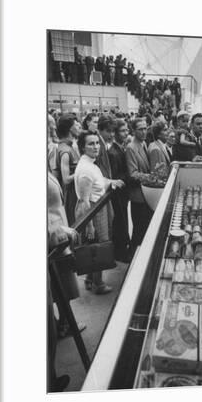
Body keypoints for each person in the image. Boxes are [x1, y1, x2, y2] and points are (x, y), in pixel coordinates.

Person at [47, 171, 86, 391]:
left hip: (57, 239)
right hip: (53, 242)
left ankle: (61, 324)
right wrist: (60, 231)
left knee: (61, 288)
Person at [74, 131, 125, 294]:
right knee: (99, 246)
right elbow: (84, 201)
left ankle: (90, 279)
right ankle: (99, 284)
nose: (96, 147)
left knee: (93, 246)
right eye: (91, 144)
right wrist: (89, 225)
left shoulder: (90, 164)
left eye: (97, 143)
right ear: (82, 147)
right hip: (93, 212)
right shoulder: (86, 169)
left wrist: (111, 181)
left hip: (98, 209)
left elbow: (99, 181)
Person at [125, 117, 153, 252]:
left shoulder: (144, 144)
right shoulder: (131, 148)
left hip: (146, 193)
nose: (144, 131)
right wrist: (152, 177)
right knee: (138, 230)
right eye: (140, 129)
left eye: (145, 128)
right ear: (133, 131)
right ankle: (133, 256)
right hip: (138, 196)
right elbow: (133, 173)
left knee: (145, 227)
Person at [108, 119, 131, 262]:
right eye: (123, 131)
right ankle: (120, 253)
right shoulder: (113, 152)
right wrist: (129, 176)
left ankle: (123, 249)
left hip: (123, 192)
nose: (126, 133)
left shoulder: (120, 148)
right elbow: (116, 176)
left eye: (127, 130)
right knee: (120, 221)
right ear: (115, 133)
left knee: (123, 221)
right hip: (118, 193)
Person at [55, 114, 79, 225]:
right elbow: (66, 179)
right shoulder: (65, 151)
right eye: (76, 124)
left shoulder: (68, 147)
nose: (79, 126)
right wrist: (81, 171)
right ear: (70, 129)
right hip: (71, 196)